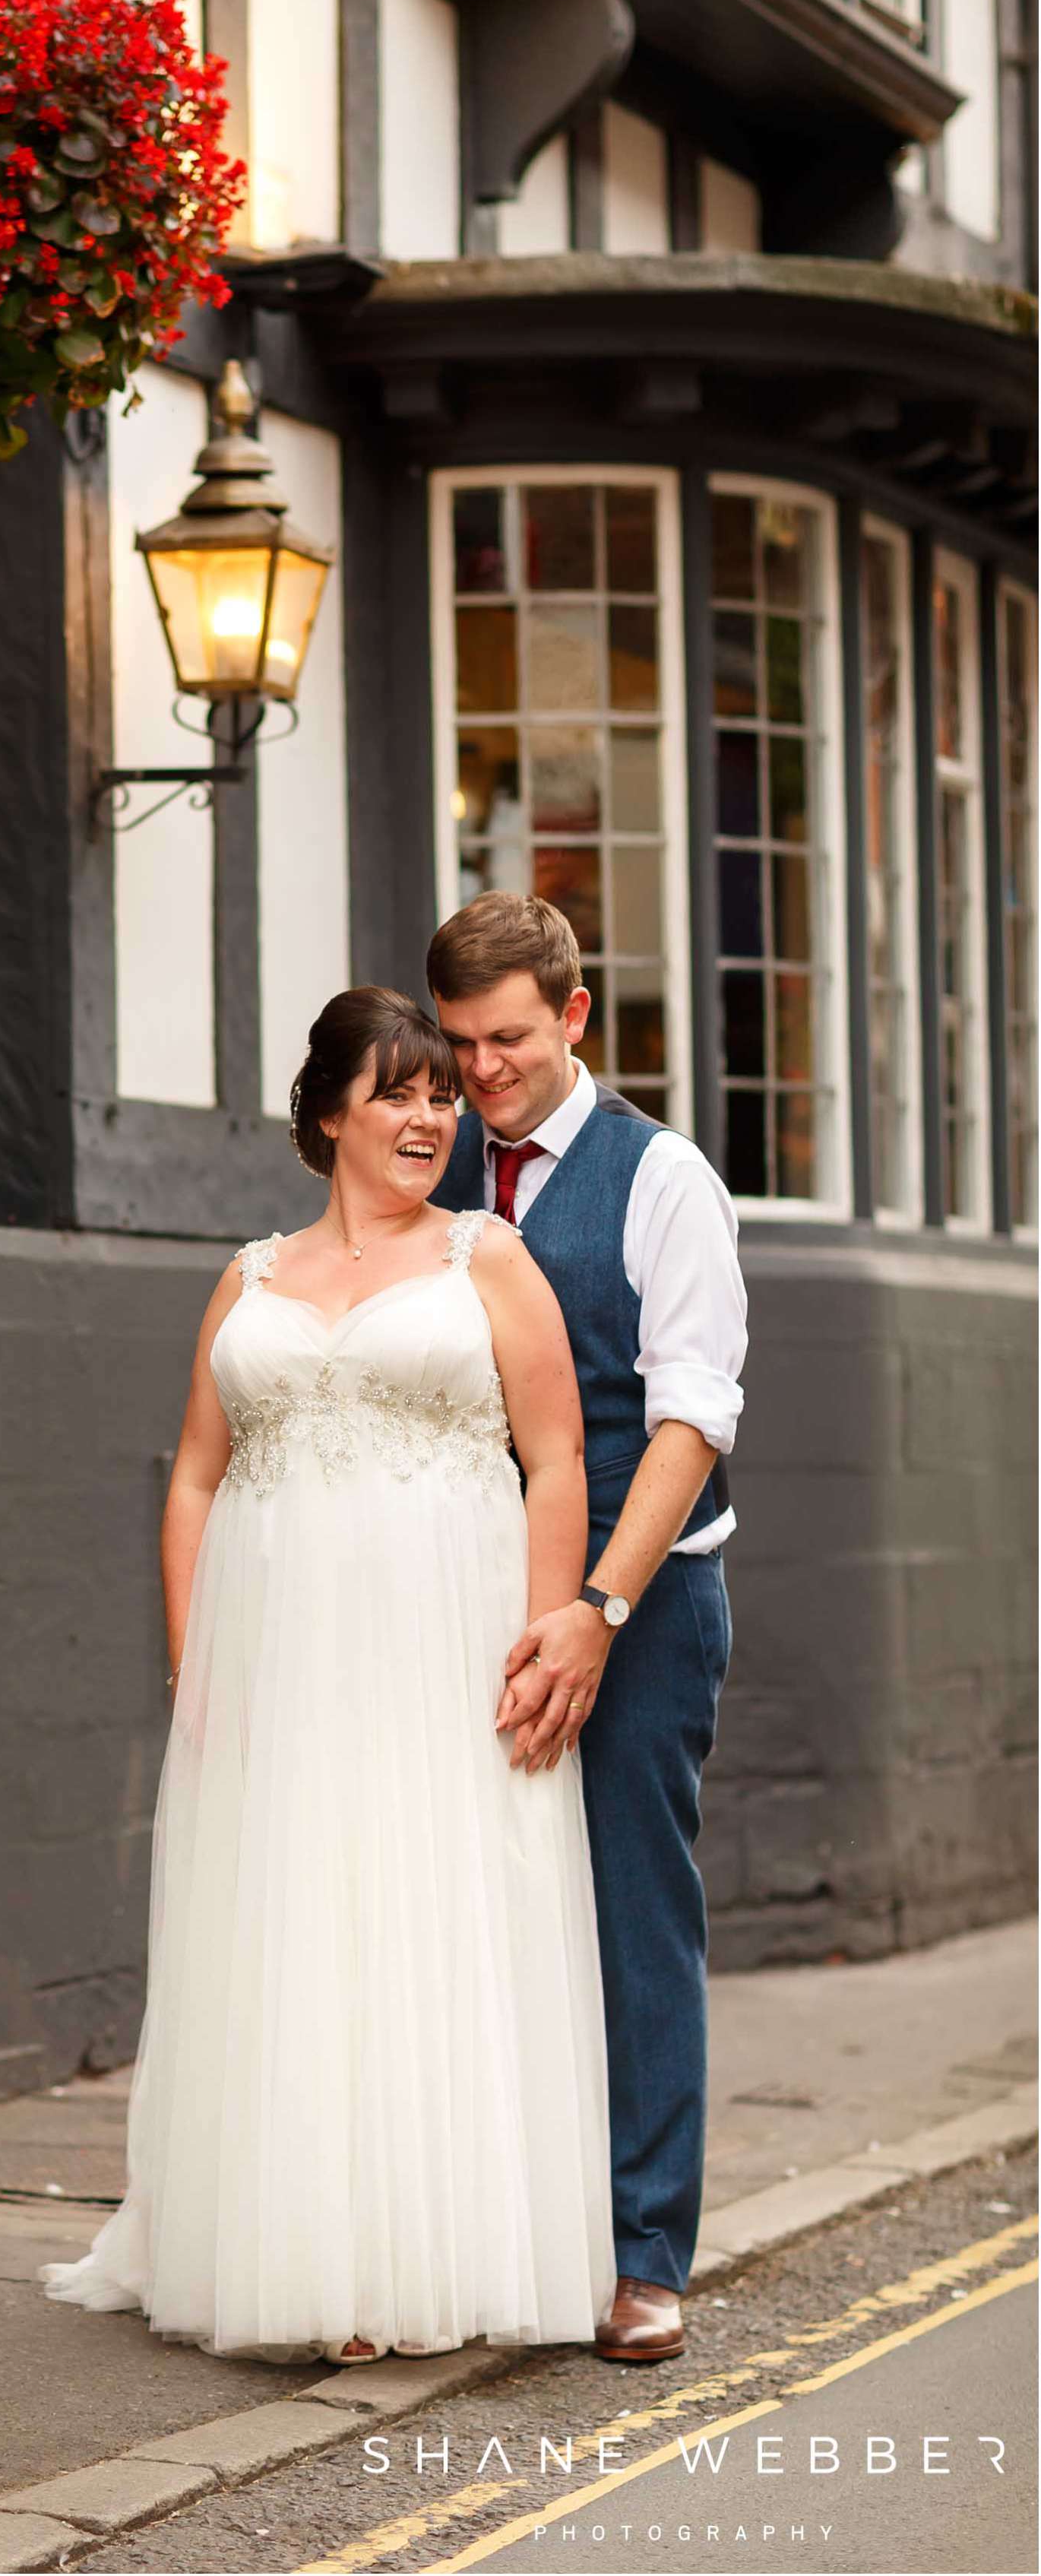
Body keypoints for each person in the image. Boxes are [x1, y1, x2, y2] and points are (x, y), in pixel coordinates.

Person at [39, 986, 617, 2365]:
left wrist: (550, 1634)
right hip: (283, 1665)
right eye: (398, 1094)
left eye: (440, 1095)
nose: (429, 1117)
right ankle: (306, 2248)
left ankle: (426, 2255)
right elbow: (193, 1474)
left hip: (448, 1654)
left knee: (435, 1917)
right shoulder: (248, 1277)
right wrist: (198, 1666)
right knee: (299, 1926)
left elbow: (559, 1459)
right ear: (328, 1114)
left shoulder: (488, 1259)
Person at [426, 891, 747, 2366]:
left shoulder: (661, 1179)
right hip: (455, 1595)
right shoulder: (433, 1164)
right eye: (457, 1041)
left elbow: (689, 1419)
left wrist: (600, 1609)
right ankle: (502, 2229)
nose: (480, 1071)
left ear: (573, 1017)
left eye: (507, 1039)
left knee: (631, 1912)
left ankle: (642, 2251)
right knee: (477, 1912)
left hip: (644, 1594)